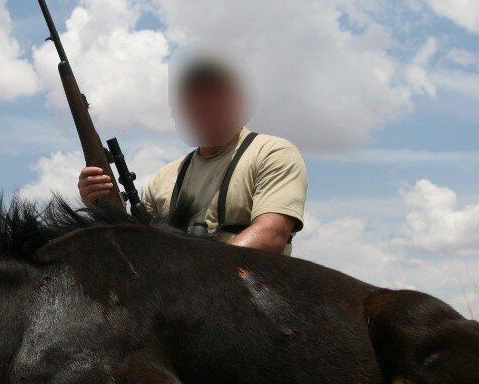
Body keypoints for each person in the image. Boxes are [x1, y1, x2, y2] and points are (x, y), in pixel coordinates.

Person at [78, 55, 307, 255]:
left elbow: (272, 234)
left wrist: (203, 275)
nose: (204, 104)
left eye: (215, 95)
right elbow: (137, 248)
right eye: (194, 97)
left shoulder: (273, 153)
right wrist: (99, 205)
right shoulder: (163, 179)